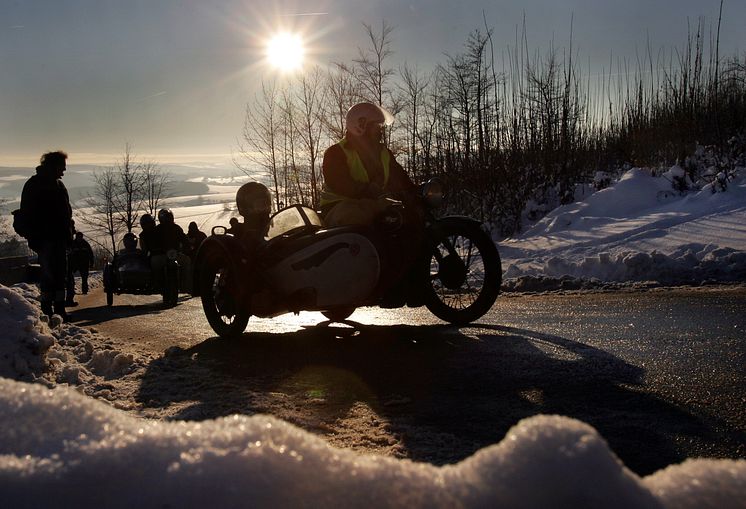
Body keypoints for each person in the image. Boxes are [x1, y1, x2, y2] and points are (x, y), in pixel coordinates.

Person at [320, 102, 417, 226]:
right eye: (377, 126)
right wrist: (367, 190)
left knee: (405, 216)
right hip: (338, 207)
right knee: (361, 219)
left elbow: (399, 177)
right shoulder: (336, 152)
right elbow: (338, 182)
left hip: (372, 204)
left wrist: (415, 192)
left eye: (382, 126)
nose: (381, 131)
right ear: (360, 126)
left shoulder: (384, 153)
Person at [19, 150, 74, 320]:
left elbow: (66, 213)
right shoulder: (34, 185)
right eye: (62, 167)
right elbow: (27, 213)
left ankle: (59, 310)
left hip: (59, 239)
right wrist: (34, 237)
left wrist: (68, 233)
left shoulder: (58, 185)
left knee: (60, 275)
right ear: (54, 166)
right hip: (45, 239)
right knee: (48, 275)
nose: (64, 171)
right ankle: (47, 311)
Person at [151, 208, 192, 293]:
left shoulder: (177, 228)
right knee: (154, 263)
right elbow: (152, 242)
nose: (168, 220)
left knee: (187, 260)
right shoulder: (157, 230)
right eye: (166, 218)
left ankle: (186, 285)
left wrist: (187, 247)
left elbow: (184, 238)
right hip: (161, 255)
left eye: (169, 217)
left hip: (175, 254)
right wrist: (155, 249)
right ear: (161, 219)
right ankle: (156, 284)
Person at [68, 231, 95, 296]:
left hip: (84, 263)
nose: (79, 238)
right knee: (70, 277)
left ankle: (84, 290)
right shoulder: (72, 244)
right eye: (78, 237)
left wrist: (91, 263)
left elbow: (91, 254)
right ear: (76, 237)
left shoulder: (85, 244)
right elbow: (69, 254)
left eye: (80, 237)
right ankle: (72, 290)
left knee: (84, 278)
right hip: (74, 263)